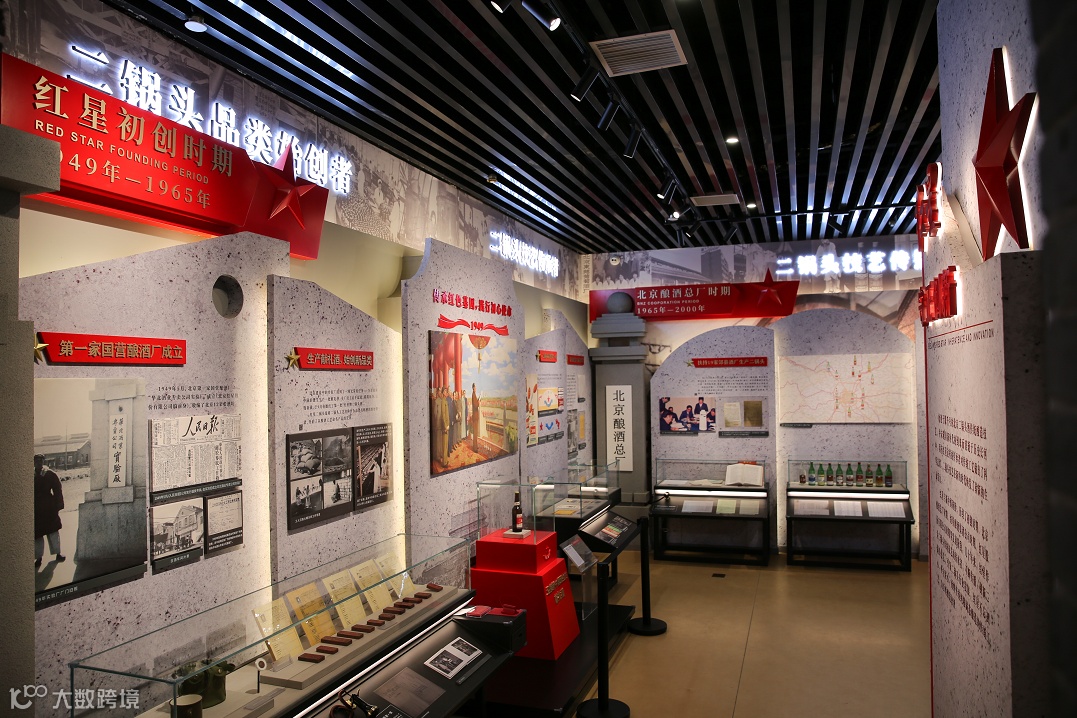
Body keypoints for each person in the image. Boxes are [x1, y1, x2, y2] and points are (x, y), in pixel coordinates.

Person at [35, 454, 65, 568]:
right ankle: (38, 558)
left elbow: (58, 489)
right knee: (37, 535)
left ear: (43, 461)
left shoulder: (50, 474)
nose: (38, 463)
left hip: (49, 508)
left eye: (40, 461)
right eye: (36, 461)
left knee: (53, 532)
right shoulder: (30, 476)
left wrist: (58, 505)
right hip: (36, 509)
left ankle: (58, 553)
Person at [470, 383, 480, 451]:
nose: (476, 388)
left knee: (476, 432)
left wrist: (478, 399)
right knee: (475, 432)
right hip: (475, 416)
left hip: (475, 416)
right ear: (473, 388)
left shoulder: (474, 395)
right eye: (475, 387)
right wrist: (478, 401)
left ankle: (475, 446)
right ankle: (475, 448)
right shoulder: (473, 395)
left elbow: (475, 403)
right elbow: (476, 405)